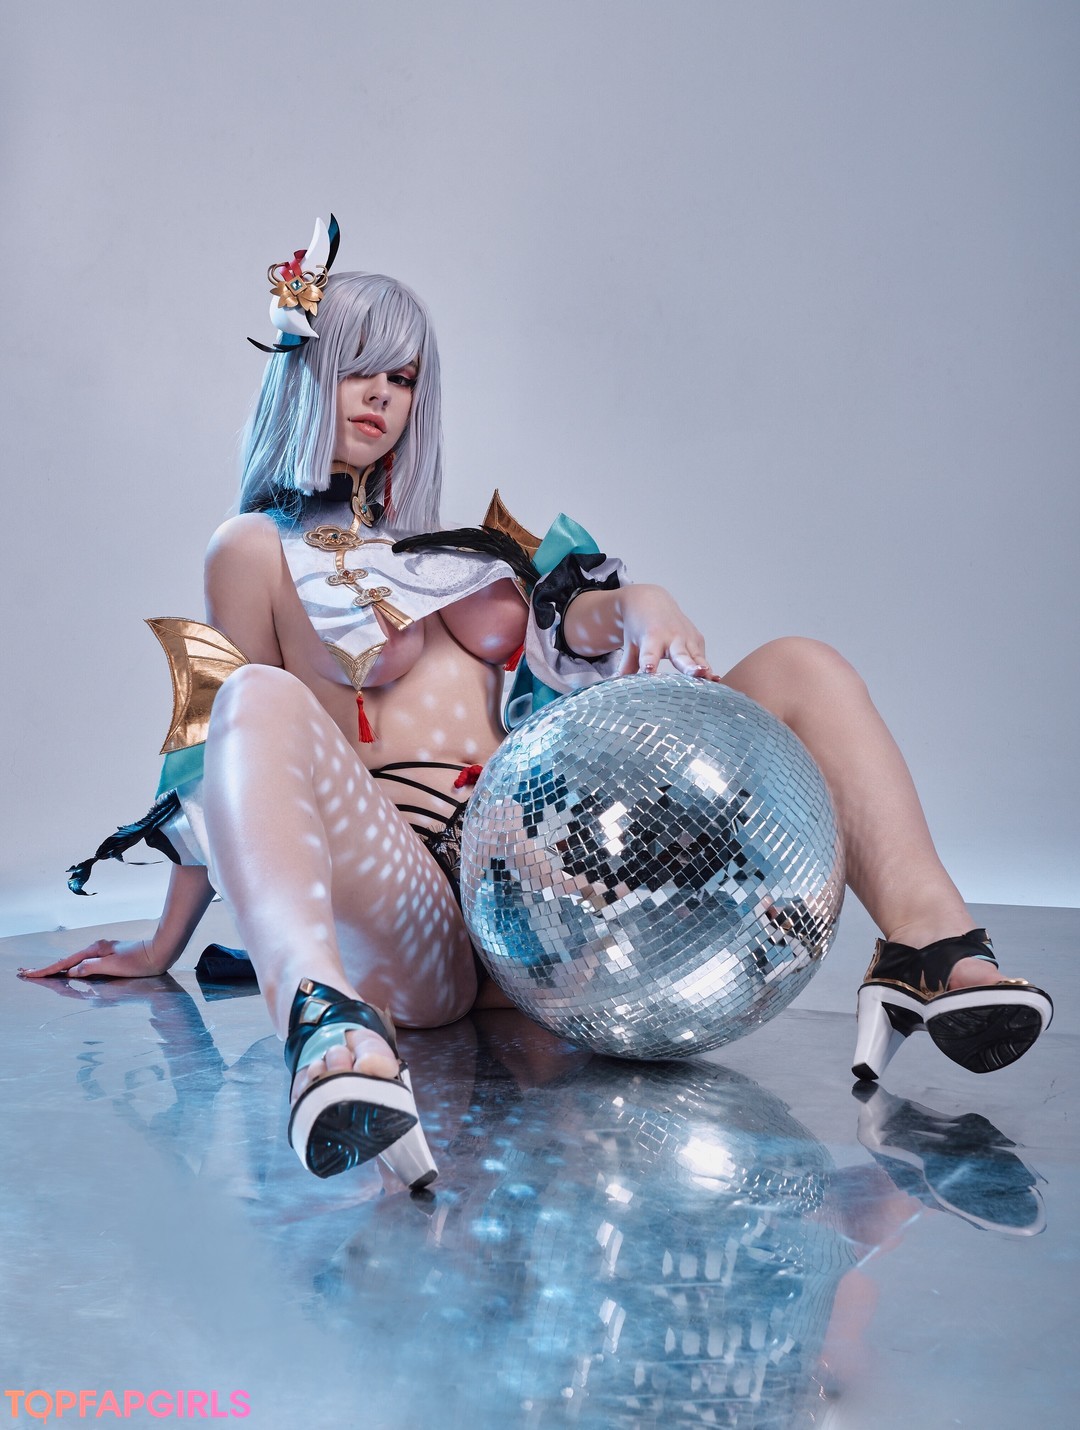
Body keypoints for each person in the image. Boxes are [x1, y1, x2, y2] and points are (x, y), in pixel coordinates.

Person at [21, 217, 1053, 1185]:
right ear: (304, 373)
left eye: (403, 378)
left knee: (802, 666)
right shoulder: (254, 550)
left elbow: (580, 628)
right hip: (418, 921)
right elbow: (227, 754)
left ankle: (930, 949)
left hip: (558, 905)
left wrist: (638, 603)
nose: (381, 396)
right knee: (253, 693)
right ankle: (327, 1028)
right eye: (356, 369)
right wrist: (162, 945)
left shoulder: (465, 555)